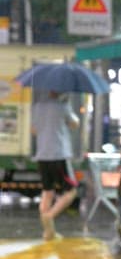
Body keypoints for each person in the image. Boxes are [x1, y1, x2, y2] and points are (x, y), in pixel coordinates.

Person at [31, 91, 80, 241]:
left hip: (42, 155)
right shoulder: (63, 106)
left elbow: (33, 130)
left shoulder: (37, 107)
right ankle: (49, 215)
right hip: (59, 154)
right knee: (70, 192)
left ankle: (49, 233)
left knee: (47, 192)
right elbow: (74, 124)